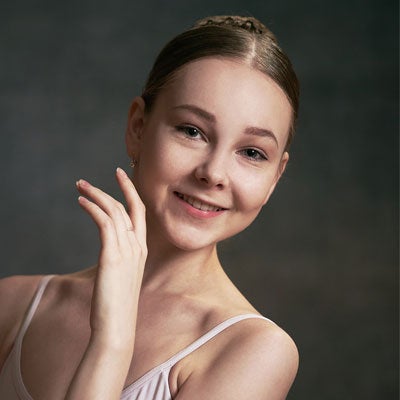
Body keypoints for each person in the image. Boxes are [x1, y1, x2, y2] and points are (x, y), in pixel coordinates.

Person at [0, 15, 300, 400]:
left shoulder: (254, 352)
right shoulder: (14, 304)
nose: (213, 174)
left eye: (252, 153)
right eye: (192, 131)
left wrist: (112, 340)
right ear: (138, 127)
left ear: (275, 176)